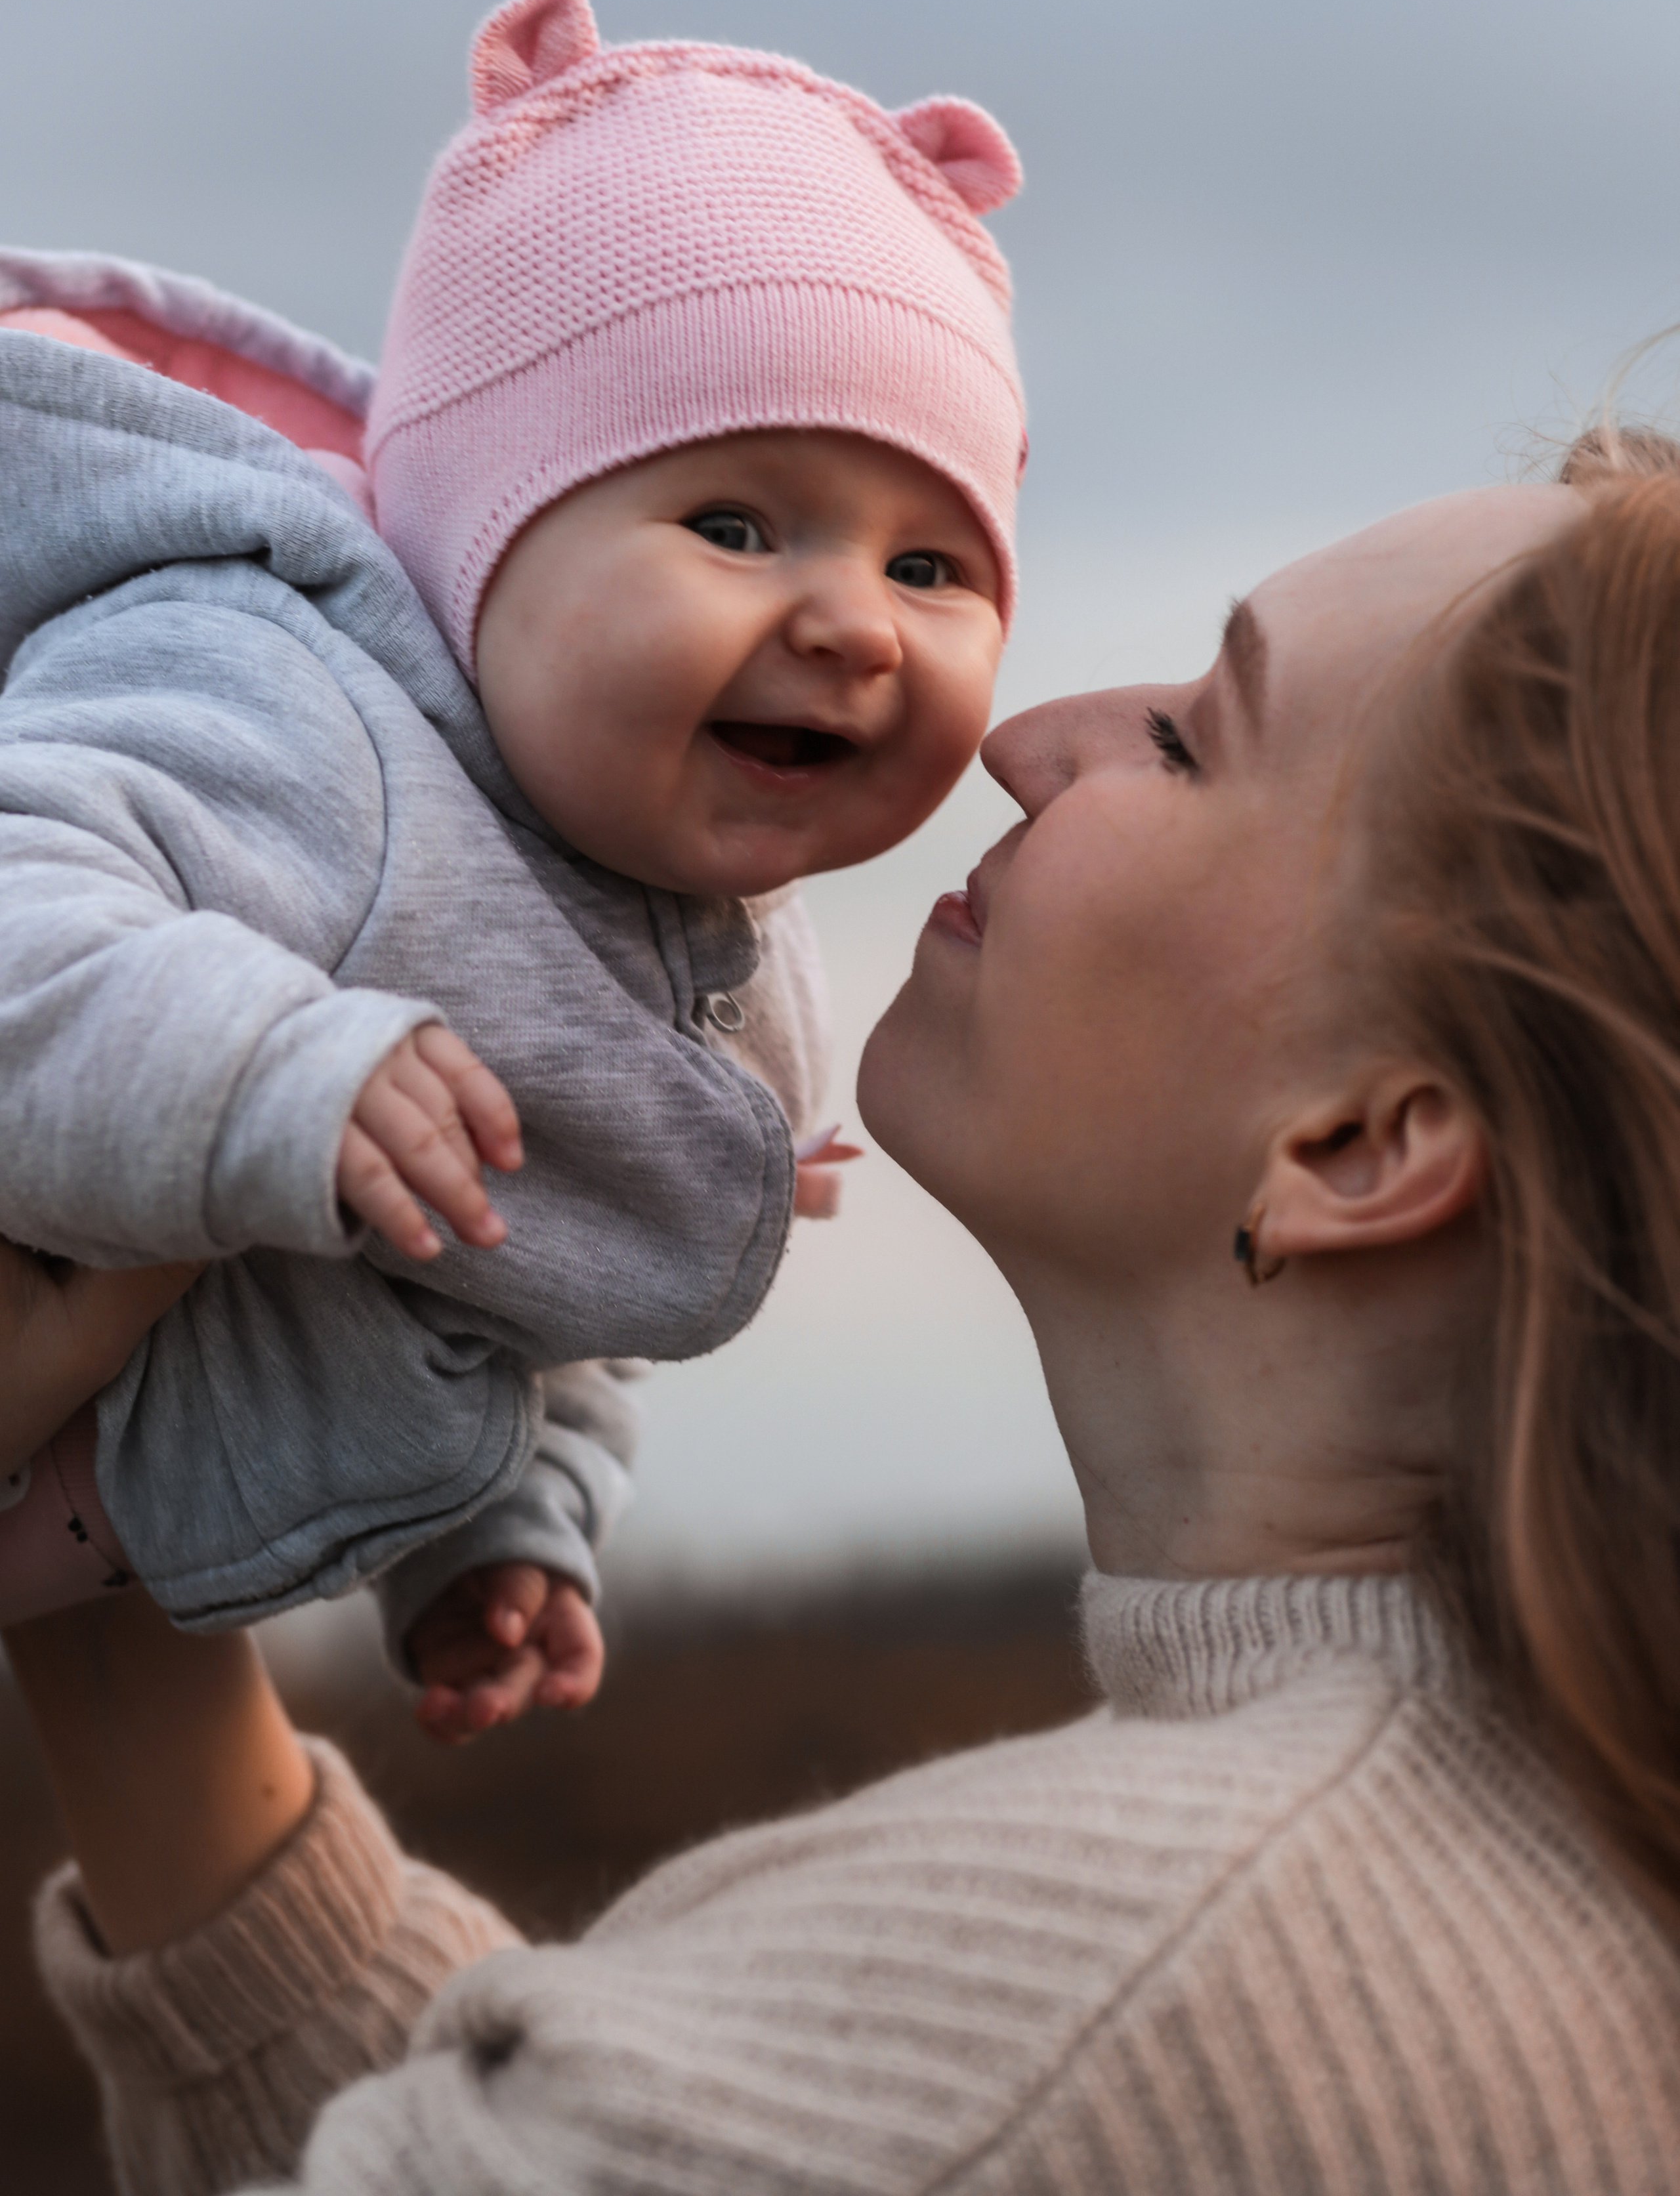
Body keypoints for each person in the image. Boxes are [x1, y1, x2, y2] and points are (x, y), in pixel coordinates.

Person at [12, 442, 1680, 2194]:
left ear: (1360, 1147)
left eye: (1191, 738)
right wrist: (112, 1448)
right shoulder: (1496, 1880)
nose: (1027, 740)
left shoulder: (1099, 2016)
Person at [0, 0, 1022, 1735]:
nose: (856, 623)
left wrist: (500, 1517)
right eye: (732, 525)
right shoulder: (286, 705)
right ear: (479, 544)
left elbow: (534, 1265)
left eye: (929, 567)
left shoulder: (718, 936)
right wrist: (264, 1064)